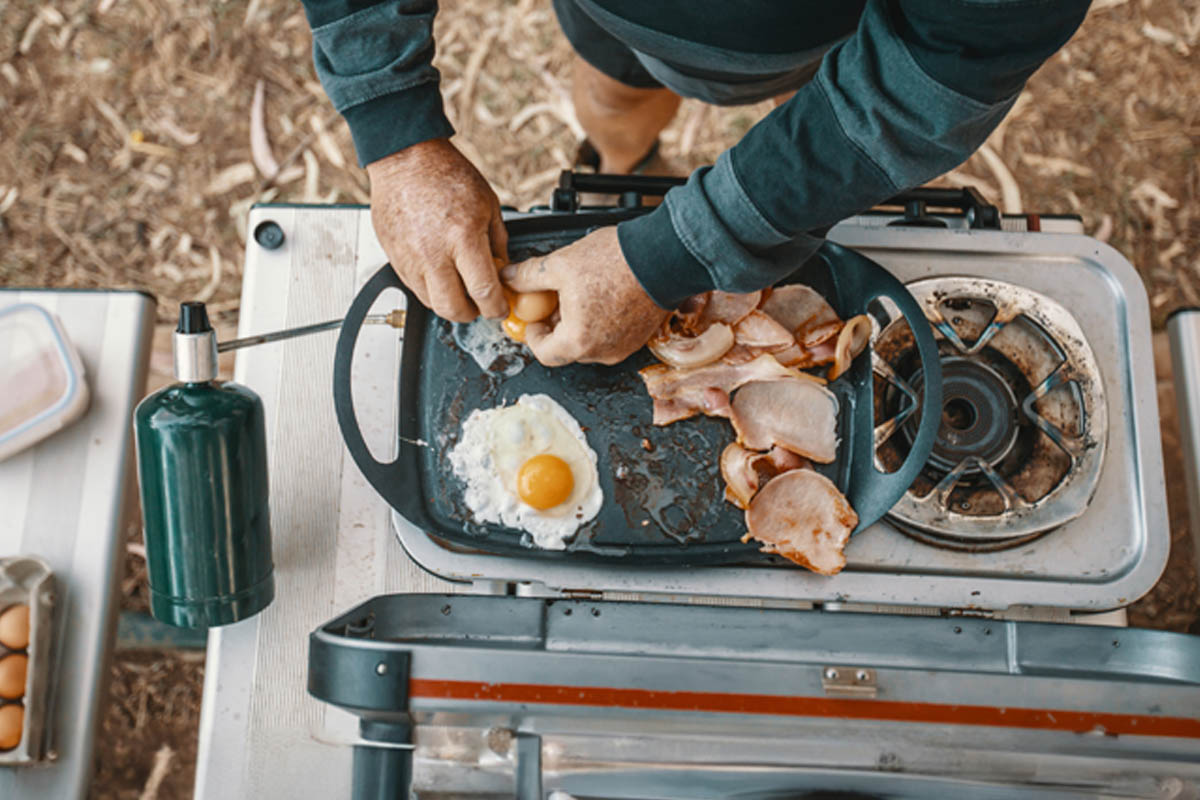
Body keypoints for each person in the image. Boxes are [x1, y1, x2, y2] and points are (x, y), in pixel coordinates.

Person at [300, 0, 1090, 366]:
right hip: (617, 22)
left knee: (822, 113)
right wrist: (394, 126)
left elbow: (938, 67)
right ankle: (627, 165)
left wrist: (678, 249)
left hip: (837, 31)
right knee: (614, 100)